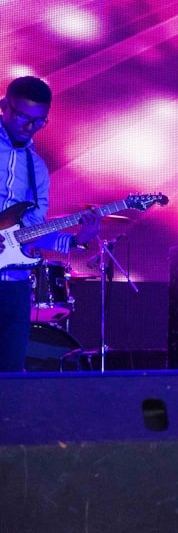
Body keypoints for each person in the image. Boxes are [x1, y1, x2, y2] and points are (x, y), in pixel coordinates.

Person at [0, 76, 100, 373]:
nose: (29, 127)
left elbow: (32, 232)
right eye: (22, 117)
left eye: (39, 121)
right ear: (4, 106)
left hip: (15, 287)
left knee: (10, 378)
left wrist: (77, 241)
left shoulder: (37, 169)